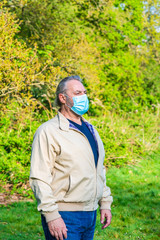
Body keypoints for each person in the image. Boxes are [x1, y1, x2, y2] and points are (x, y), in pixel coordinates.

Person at [30, 75, 113, 240]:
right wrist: (52, 215)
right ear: (63, 98)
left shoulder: (91, 130)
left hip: (90, 214)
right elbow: (39, 177)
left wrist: (105, 203)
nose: (84, 96)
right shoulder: (48, 131)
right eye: (77, 92)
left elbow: (98, 170)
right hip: (65, 215)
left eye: (84, 92)